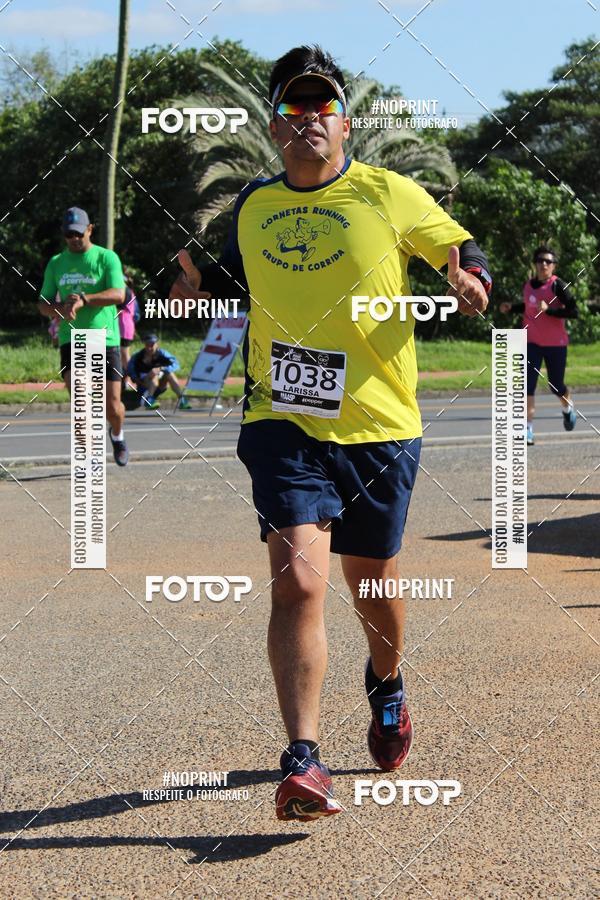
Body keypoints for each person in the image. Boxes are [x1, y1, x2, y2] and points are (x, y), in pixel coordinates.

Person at [169, 45, 491, 821]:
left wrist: (467, 275)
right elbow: (220, 277)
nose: (308, 118)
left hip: (379, 424)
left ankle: (387, 682)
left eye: (323, 106)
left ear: (346, 122)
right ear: (274, 125)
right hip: (282, 418)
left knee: (370, 580)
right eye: (293, 107)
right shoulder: (253, 205)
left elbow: (456, 243)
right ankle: (304, 758)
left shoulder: (389, 192)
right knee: (301, 581)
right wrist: (183, 277)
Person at [37, 206, 129, 466]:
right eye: (69, 235)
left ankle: (118, 434)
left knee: (112, 407)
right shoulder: (56, 263)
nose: (74, 239)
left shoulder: (106, 257)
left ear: (90, 230)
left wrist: (84, 300)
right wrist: (59, 308)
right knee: (81, 405)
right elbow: (42, 303)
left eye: (79, 233)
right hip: (72, 339)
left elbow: (118, 294)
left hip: (105, 338)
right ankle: (89, 458)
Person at [500, 246, 577, 445]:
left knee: (555, 385)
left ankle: (567, 408)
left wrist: (550, 311)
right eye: (540, 261)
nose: (544, 264)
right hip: (531, 342)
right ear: (535, 264)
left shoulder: (558, 285)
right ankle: (528, 429)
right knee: (527, 386)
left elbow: (573, 311)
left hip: (555, 344)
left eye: (548, 262)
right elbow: (528, 306)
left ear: (553, 266)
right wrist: (512, 308)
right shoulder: (528, 285)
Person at [127, 334, 190, 409]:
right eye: (147, 345)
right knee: (154, 375)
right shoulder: (138, 356)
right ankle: (149, 400)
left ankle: (181, 399)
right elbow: (130, 369)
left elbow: (176, 364)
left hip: (160, 385)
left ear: (157, 344)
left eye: (152, 345)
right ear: (144, 345)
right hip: (144, 385)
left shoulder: (162, 353)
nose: (150, 348)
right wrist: (135, 378)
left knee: (169, 373)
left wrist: (161, 368)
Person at [118, 270, 140, 389]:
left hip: (123, 325)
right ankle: (125, 381)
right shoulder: (130, 291)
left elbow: (118, 309)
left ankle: (132, 381)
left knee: (124, 355)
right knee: (123, 355)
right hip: (126, 325)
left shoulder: (123, 292)